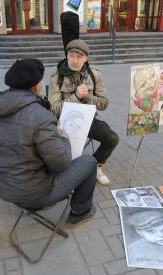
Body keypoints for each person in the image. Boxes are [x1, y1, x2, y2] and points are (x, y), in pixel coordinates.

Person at [0, 59, 97, 228]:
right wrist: (63, 135)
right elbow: (61, 163)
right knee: (89, 162)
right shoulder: (40, 116)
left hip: (2, 186)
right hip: (32, 194)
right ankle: (80, 212)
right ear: (36, 86)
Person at [49, 39, 119, 186]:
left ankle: (96, 165)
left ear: (86, 58)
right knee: (70, 152)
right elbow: (54, 108)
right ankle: (69, 177)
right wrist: (76, 97)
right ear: (66, 55)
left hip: (88, 120)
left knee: (112, 138)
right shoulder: (57, 78)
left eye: (79, 57)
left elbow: (104, 103)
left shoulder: (94, 74)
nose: (74, 60)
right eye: (71, 55)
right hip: (64, 123)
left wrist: (87, 96)